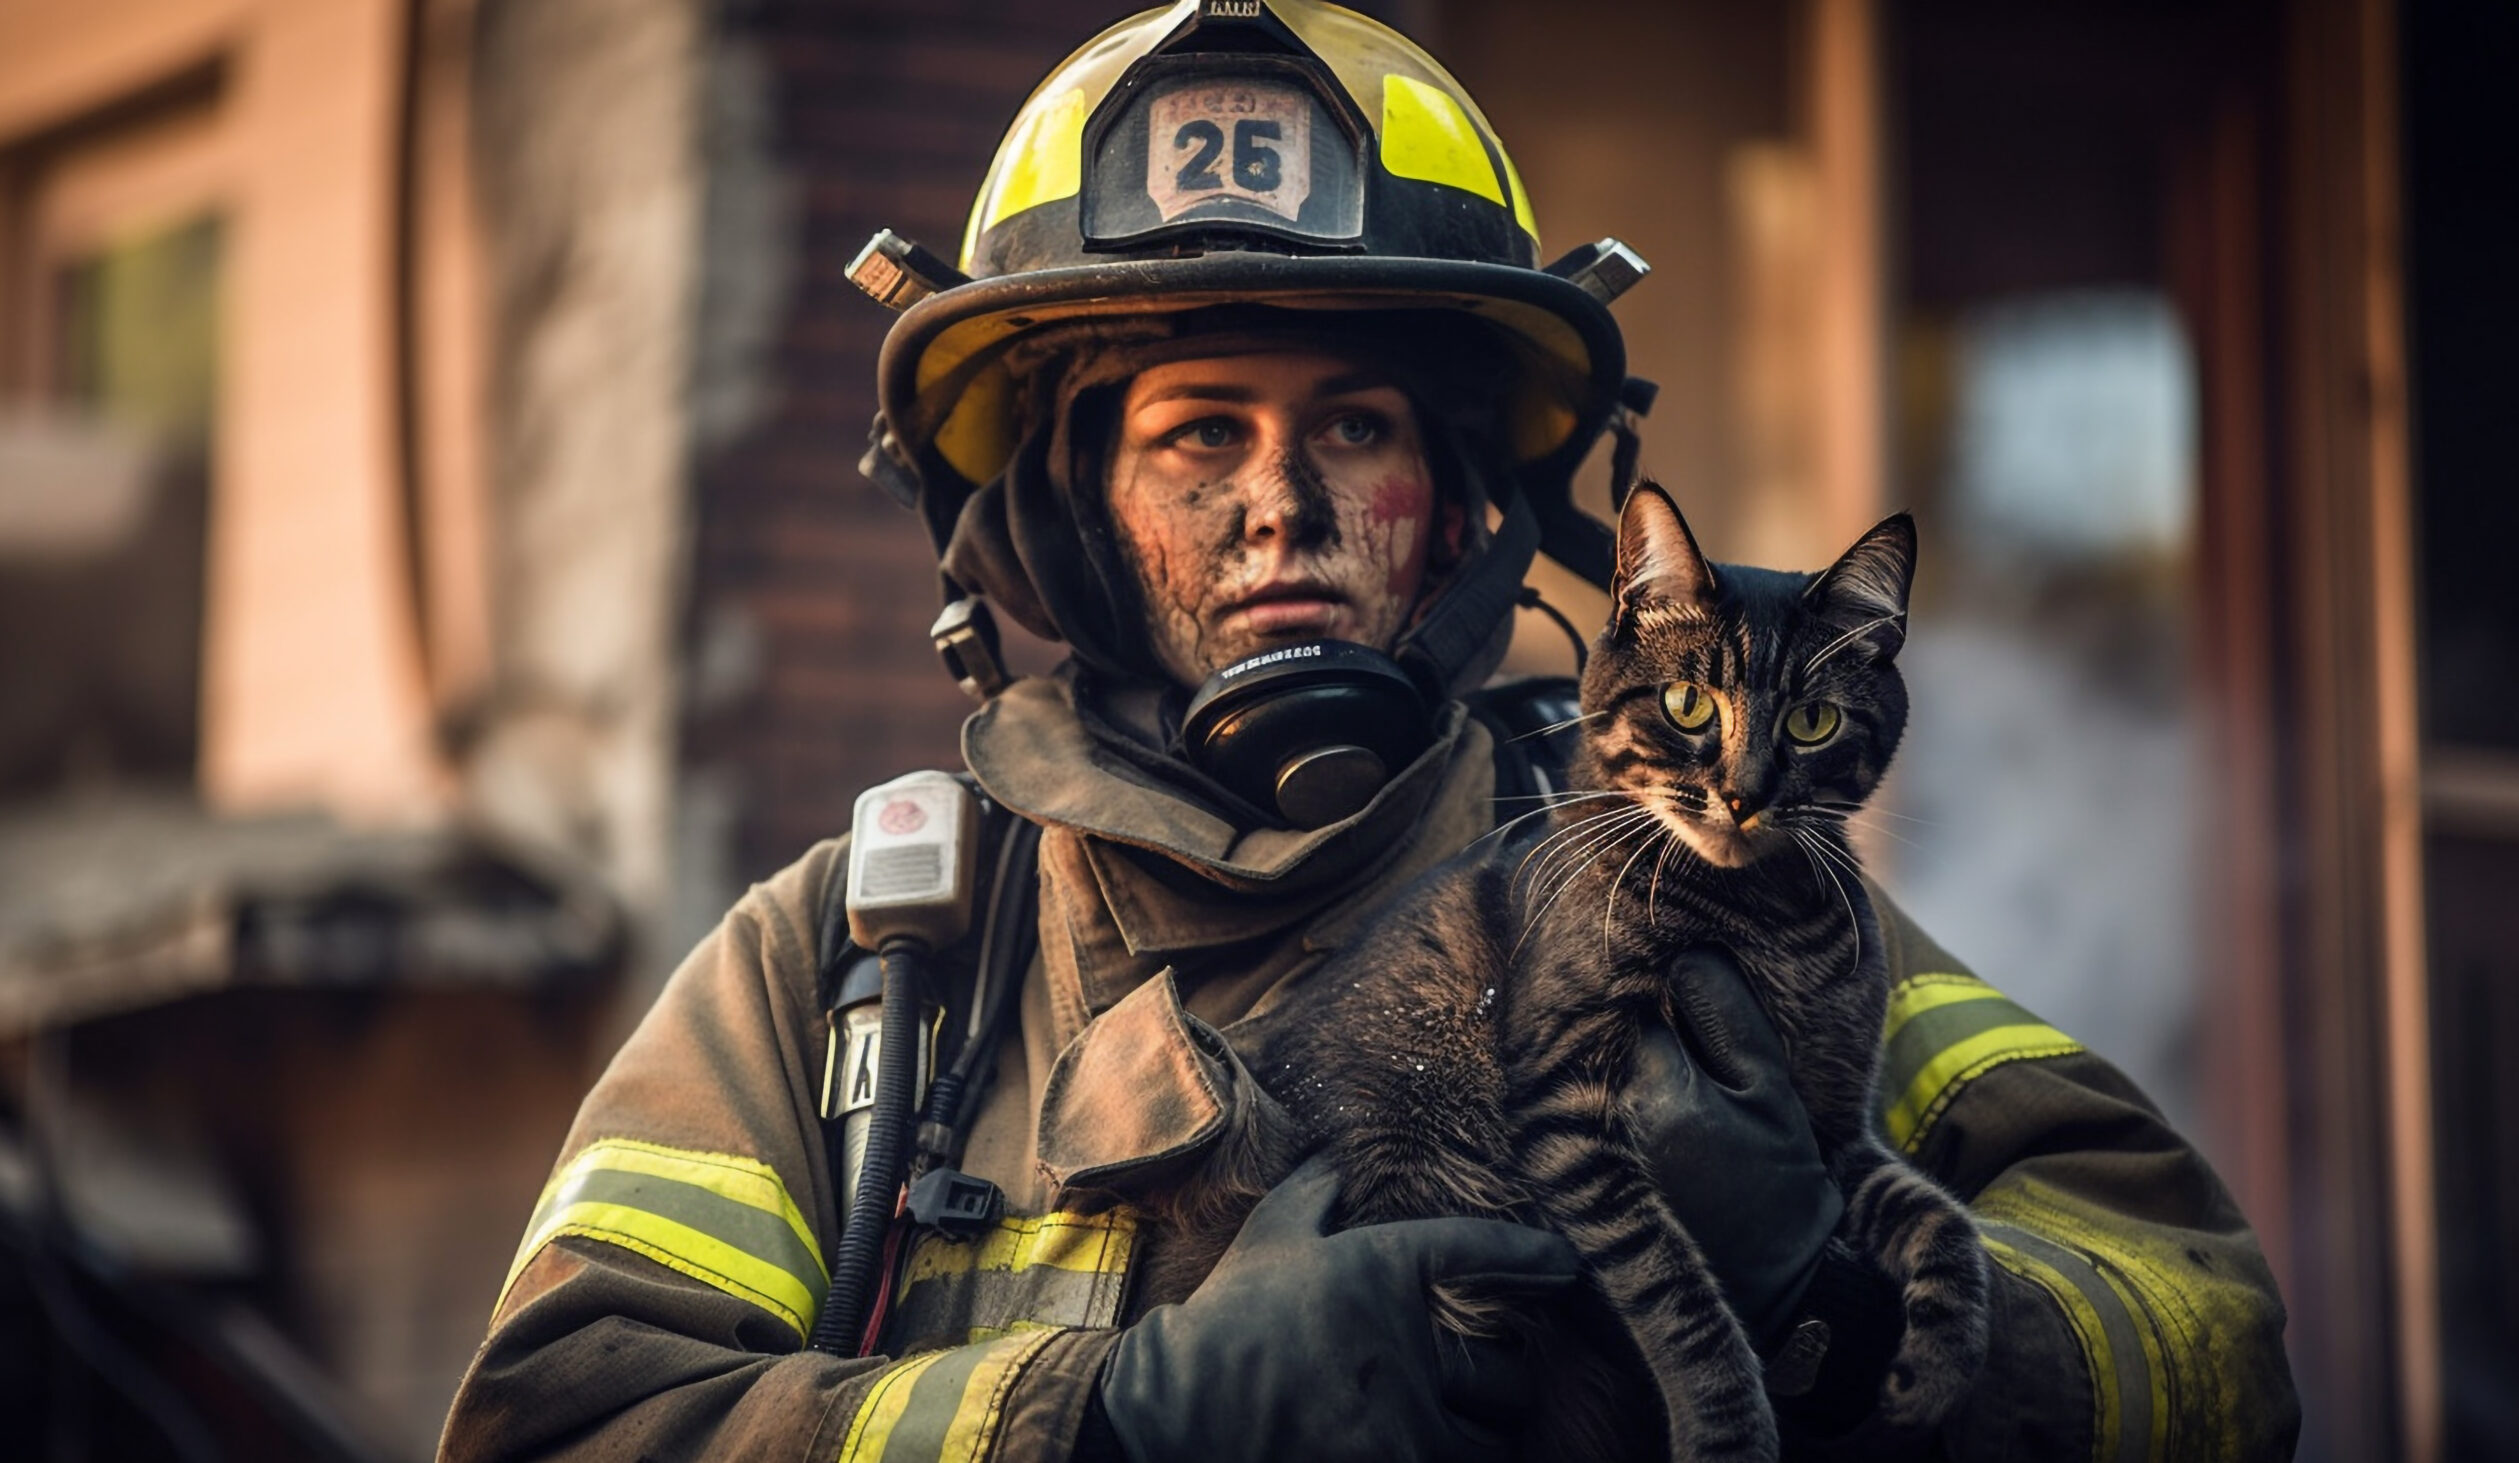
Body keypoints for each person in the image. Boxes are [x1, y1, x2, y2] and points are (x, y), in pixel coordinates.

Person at [439, 4, 2299, 1460]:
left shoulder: (1704, 886)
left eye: (1353, 428)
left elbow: (2209, 1339)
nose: (1283, 504)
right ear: (1074, 517)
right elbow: (559, 1429)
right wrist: (1110, 1424)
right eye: (1199, 435)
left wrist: (1833, 1313)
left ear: (1466, 501)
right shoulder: (856, 965)